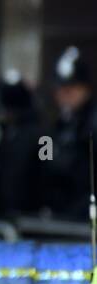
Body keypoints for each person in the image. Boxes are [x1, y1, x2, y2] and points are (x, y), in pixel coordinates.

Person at [0, 70, 45, 223]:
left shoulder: (42, 137)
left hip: (27, 220)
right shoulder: (4, 137)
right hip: (0, 220)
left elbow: (46, 172)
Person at [43, 46, 97, 222]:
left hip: (82, 217)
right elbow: (45, 160)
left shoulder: (91, 124)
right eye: (61, 90)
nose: (65, 96)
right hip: (58, 215)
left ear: (85, 89)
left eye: (71, 89)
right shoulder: (56, 125)